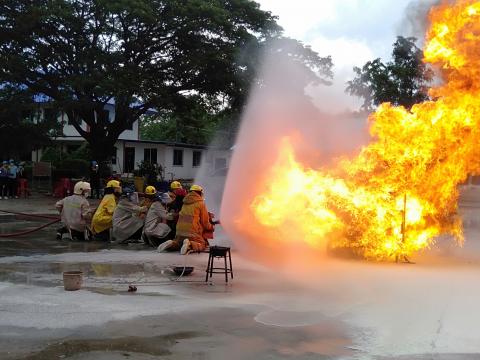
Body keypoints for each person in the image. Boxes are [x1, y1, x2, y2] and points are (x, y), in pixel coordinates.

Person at [158, 184, 214, 255]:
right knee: (202, 244)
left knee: (179, 244)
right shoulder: (201, 203)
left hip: (179, 232)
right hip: (192, 233)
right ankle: (190, 244)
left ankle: (172, 243)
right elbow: (205, 222)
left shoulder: (185, 202)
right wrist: (211, 227)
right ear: (199, 193)